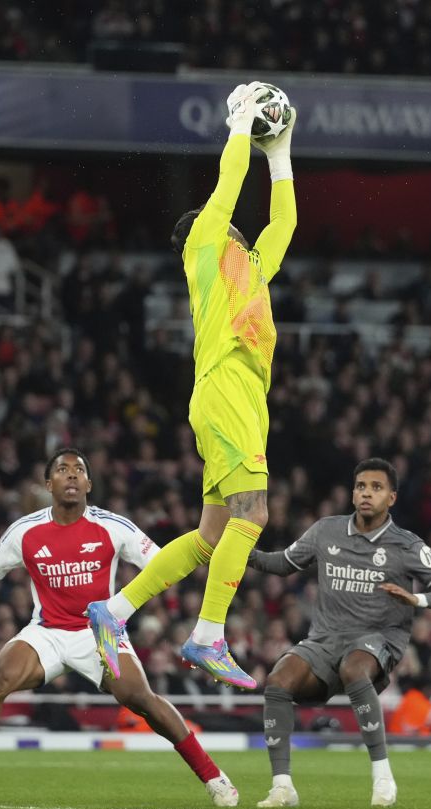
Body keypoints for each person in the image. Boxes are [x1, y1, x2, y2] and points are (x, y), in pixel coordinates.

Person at [87, 81, 297, 690]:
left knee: (211, 536)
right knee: (253, 512)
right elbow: (228, 189)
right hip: (226, 386)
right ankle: (208, 635)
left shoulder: (252, 269)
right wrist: (239, 126)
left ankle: (115, 609)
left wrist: (280, 152)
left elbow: (283, 221)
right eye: (227, 225)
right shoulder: (204, 248)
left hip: (241, 399)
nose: (236, 228)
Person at [0, 448, 238, 809]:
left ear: (89, 483)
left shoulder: (113, 526)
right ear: (49, 484)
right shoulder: (25, 532)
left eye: (79, 470)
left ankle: (214, 777)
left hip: (99, 632)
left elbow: (160, 563)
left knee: (141, 700)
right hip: (46, 631)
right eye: (62, 469)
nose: (71, 475)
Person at [245, 458, 431, 808]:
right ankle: (283, 787)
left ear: (391, 498)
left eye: (376, 488)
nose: (366, 494)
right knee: (278, 681)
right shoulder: (326, 530)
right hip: (325, 639)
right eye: (361, 486)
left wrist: (416, 598)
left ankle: (382, 778)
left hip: (378, 637)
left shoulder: (406, 545)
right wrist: (243, 554)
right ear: (352, 493)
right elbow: (284, 563)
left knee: (354, 667)